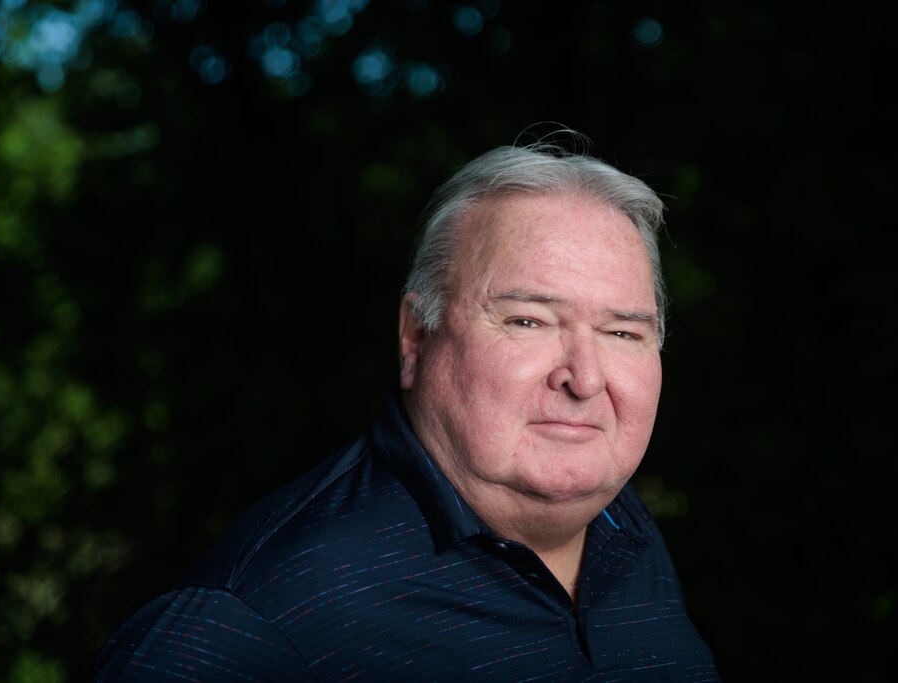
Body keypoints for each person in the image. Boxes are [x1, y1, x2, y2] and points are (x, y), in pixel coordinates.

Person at [96, 141, 720, 681]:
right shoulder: (256, 620)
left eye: (622, 333)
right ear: (415, 338)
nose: (585, 380)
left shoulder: (624, 534)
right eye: (528, 320)